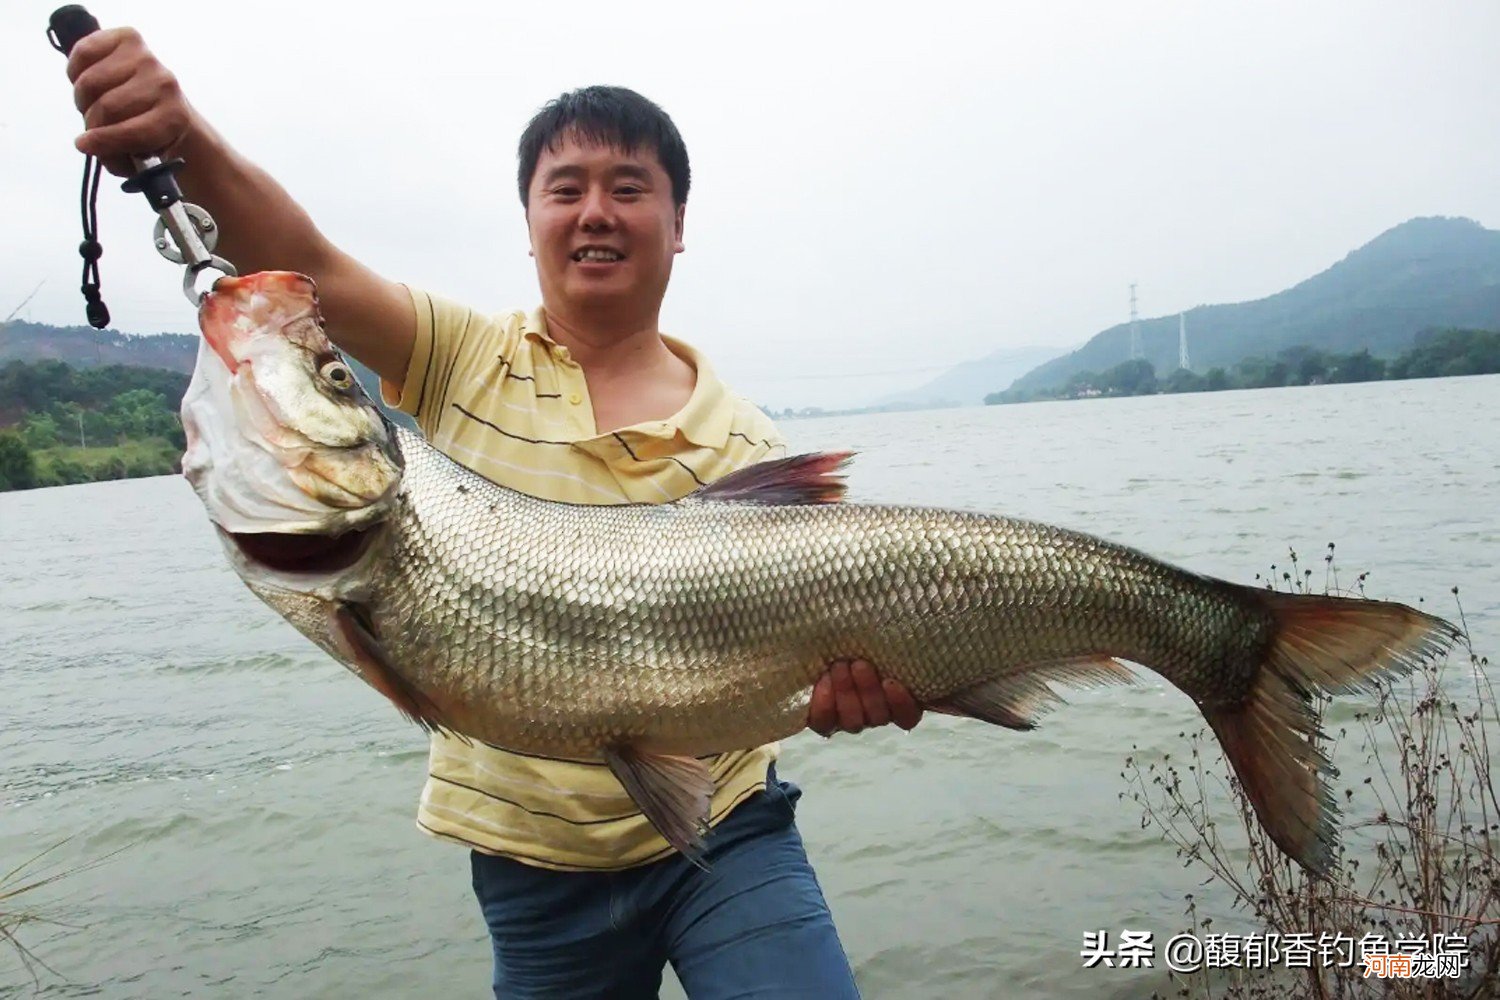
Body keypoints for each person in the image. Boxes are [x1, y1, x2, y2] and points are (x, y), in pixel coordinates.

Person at [67, 28, 925, 999]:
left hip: (733, 830)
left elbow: (801, 667)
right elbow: (301, 259)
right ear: (529, 221)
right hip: (529, 864)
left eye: (630, 187)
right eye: (565, 189)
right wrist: (185, 139)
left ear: (679, 221)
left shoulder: (746, 446)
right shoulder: (463, 356)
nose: (595, 211)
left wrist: (852, 689)